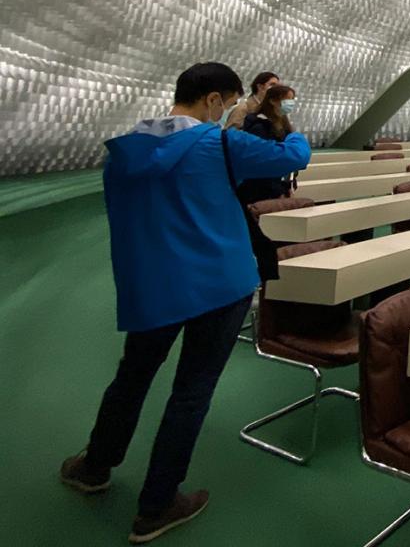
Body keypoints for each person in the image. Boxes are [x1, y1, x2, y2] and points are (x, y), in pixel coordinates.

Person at [60, 63, 311, 543]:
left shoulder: (127, 149)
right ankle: (157, 504)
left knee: (131, 378)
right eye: (230, 103)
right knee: (191, 392)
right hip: (221, 285)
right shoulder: (218, 143)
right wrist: (269, 113)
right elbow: (293, 155)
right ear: (215, 101)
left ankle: (93, 466)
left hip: (156, 286)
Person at [237, 84, 300, 281]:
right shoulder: (258, 126)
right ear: (273, 100)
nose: (290, 104)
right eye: (287, 99)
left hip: (277, 186)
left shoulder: (282, 122)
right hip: (259, 190)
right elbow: (264, 162)